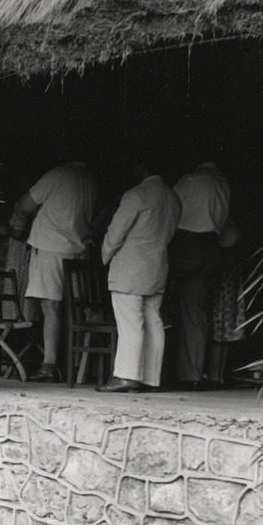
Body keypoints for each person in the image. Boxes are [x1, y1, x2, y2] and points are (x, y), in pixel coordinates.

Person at [98, 166, 181, 393]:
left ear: (142, 169)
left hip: (130, 268)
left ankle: (127, 376)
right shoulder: (173, 198)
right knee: (153, 321)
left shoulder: (136, 195)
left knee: (130, 323)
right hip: (156, 266)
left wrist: (105, 256)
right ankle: (151, 379)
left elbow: (116, 232)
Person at [14, 161, 98, 381]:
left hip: (51, 247)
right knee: (76, 309)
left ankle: (49, 365)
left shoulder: (57, 174)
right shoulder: (89, 180)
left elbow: (25, 204)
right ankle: (79, 366)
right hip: (78, 249)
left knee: (51, 308)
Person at [167, 162, 232, 390]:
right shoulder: (223, 182)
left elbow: (169, 206)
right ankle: (191, 373)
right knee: (195, 313)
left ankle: (156, 370)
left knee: (150, 296)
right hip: (211, 247)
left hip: (186, 244)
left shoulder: (191, 178)